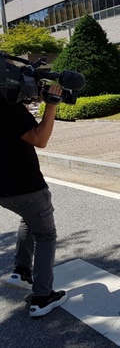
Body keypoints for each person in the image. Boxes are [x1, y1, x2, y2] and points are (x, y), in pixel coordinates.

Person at [0, 83, 68, 317]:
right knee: (46, 235)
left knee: (29, 219)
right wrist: (51, 105)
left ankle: (21, 271)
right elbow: (39, 139)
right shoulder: (9, 108)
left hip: (4, 190)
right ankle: (42, 297)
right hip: (26, 186)